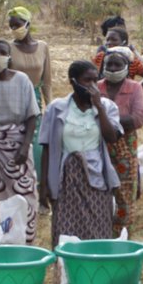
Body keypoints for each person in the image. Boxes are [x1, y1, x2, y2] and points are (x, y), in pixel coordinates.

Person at [39, 61, 122, 245]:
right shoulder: (56, 108)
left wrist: (99, 107)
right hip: (66, 178)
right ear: (73, 81)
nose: (92, 86)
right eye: (87, 80)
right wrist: (43, 185)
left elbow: (111, 137)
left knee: (98, 229)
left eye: (95, 80)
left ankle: (96, 262)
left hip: (96, 176)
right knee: (65, 232)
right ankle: (66, 264)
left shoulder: (107, 106)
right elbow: (47, 147)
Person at [0, 39, 39, 244]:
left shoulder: (22, 80)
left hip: (18, 143)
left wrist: (25, 146)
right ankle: (2, 240)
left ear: (9, 56)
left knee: (26, 192)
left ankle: (26, 239)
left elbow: (32, 116)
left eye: (2, 52)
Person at [99, 48, 143, 236]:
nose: (112, 68)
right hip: (100, 144)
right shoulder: (97, 87)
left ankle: (122, 236)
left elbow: (138, 119)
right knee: (100, 190)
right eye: (109, 64)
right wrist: (120, 120)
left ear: (127, 67)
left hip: (125, 146)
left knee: (124, 192)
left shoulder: (134, 88)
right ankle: (101, 233)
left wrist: (106, 120)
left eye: (117, 65)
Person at [7, 5, 53, 194]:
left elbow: (47, 81)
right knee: (16, 140)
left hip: (35, 98)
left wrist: (50, 106)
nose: (14, 29)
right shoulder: (9, 48)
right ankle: (18, 186)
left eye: (17, 25)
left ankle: (38, 186)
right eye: (11, 26)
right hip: (14, 99)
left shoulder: (42, 47)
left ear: (27, 23)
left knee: (36, 143)